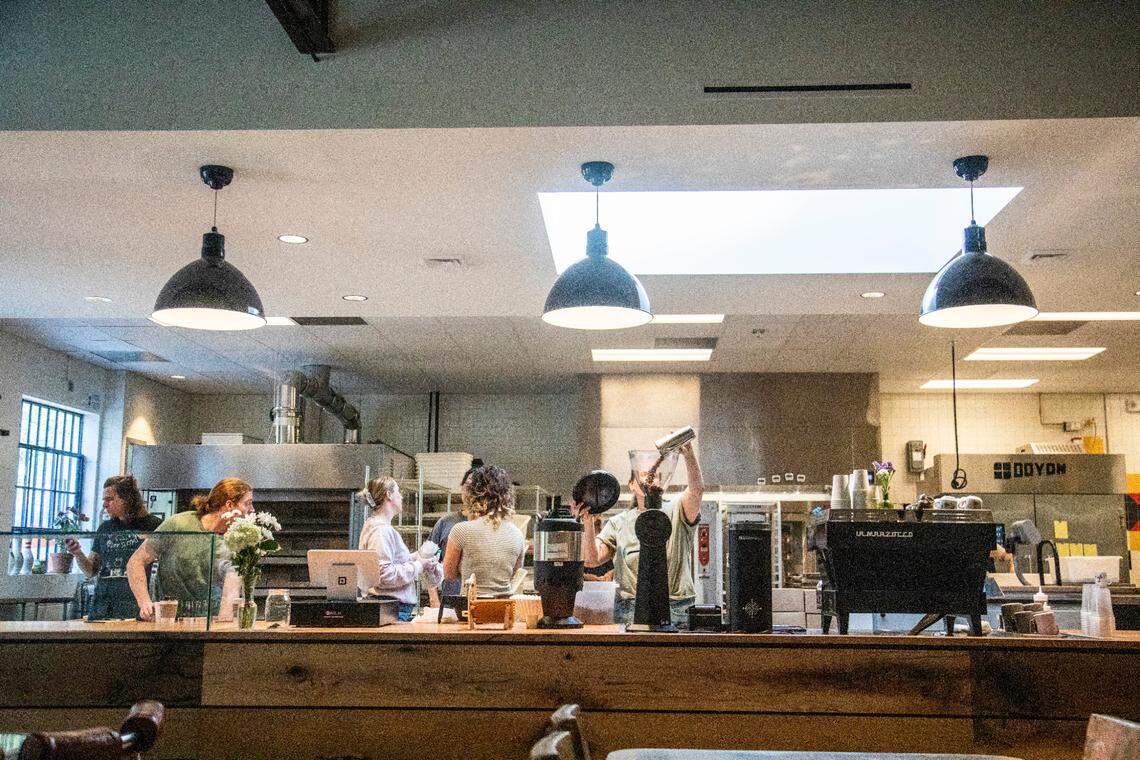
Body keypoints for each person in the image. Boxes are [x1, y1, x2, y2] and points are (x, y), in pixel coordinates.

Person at [580, 441, 704, 625]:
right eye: (645, 475)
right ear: (632, 484)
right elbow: (592, 559)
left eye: (656, 476)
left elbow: (697, 491)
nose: (651, 479)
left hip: (677, 609)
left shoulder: (677, 510)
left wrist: (688, 453)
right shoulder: (618, 523)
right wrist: (588, 521)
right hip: (629, 610)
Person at [127, 477, 254, 620]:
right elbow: (136, 562)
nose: (252, 510)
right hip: (168, 621)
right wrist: (144, 602)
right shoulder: (179, 524)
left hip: (207, 623)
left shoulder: (237, 541)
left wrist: (222, 629)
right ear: (230, 505)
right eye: (247, 504)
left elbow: (231, 591)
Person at [65, 475, 162, 620]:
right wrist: (78, 553)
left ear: (127, 498)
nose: (104, 504)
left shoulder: (154, 526)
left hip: (138, 608)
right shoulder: (105, 528)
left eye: (110, 499)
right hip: (102, 607)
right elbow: (91, 570)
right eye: (104, 500)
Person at [358, 476, 443, 621]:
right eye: (398, 491)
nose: (402, 496)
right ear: (388, 495)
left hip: (392, 607)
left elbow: (386, 565)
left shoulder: (377, 527)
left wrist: (415, 557)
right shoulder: (381, 531)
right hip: (392, 608)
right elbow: (384, 575)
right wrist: (419, 565)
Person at [443, 464, 525, 598]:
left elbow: (449, 575)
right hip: (504, 611)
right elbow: (514, 574)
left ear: (473, 494)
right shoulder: (517, 534)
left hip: (471, 611)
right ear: (507, 496)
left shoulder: (461, 531)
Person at [426, 458, 482, 606]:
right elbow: (427, 561)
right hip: (449, 601)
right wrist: (434, 599)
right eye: (466, 486)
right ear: (461, 488)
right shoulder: (446, 523)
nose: (469, 491)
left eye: (476, 487)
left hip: (482, 601)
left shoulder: (489, 524)